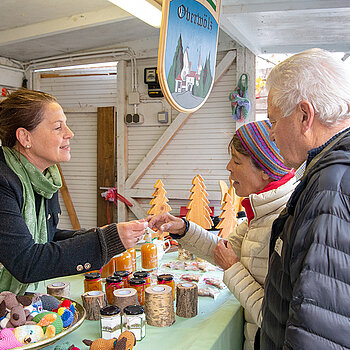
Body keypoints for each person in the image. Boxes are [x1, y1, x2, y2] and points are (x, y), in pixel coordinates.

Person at [148, 120, 295, 350]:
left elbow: (276, 319)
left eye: (236, 161)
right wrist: (183, 229)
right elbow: (222, 249)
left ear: (265, 171)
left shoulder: (280, 223)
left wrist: (233, 268)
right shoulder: (260, 214)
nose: (228, 167)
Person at [0, 89, 147, 295]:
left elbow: (46, 239)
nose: (70, 133)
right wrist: (105, 241)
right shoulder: (3, 181)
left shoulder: (45, 180)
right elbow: (25, 262)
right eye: (58, 127)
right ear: (25, 137)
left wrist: (97, 234)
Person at [260, 48, 350, 350]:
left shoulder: (330, 187)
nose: (271, 134)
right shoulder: (330, 175)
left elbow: (317, 333)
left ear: (303, 116)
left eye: (273, 120)